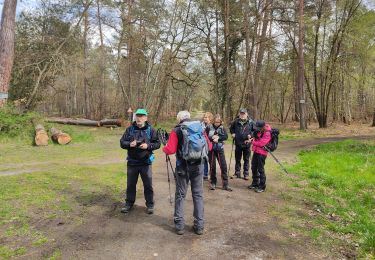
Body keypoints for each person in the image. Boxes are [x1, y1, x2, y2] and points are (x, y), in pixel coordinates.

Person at [163, 111, 212, 235]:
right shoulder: (200, 127)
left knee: (180, 195)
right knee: (198, 195)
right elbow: (209, 147)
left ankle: (179, 226)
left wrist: (164, 148)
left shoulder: (177, 130)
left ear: (179, 119)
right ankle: (199, 226)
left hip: (182, 167)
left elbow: (171, 149)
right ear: (189, 118)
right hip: (199, 166)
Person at [120, 108, 161, 214]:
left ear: (146, 118)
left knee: (148, 185)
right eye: (138, 116)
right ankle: (129, 203)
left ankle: (150, 205)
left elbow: (157, 144)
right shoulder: (130, 129)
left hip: (146, 162)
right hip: (132, 162)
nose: (139, 118)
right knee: (130, 185)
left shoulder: (151, 130)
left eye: (142, 116)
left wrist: (148, 146)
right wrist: (129, 144)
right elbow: (122, 142)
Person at [206, 114, 233, 191]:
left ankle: (225, 184)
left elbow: (226, 137)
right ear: (213, 121)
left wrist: (218, 138)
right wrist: (212, 138)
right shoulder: (209, 127)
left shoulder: (222, 128)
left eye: (219, 122)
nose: (217, 123)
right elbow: (205, 136)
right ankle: (213, 182)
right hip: (211, 149)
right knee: (212, 166)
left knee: (223, 166)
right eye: (216, 121)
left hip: (219, 148)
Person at [229, 108, 255, 180]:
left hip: (247, 144)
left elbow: (255, 131)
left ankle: (246, 174)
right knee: (237, 159)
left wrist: (251, 135)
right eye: (241, 113)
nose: (242, 115)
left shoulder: (251, 122)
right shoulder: (235, 121)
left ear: (247, 114)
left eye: (244, 113)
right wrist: (233, 133)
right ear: (239, 114)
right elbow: (231, 129)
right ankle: (237, 173)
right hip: (238, 143)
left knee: (246, 159)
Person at [247, 120, 271, 193]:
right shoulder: (259, 130)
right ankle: (255, 183)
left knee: (260, 169)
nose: (257, 128)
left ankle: (262, 186)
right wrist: (252, 138)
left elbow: (261, 143)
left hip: (262, 153)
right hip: (256, 151)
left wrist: (252, 142)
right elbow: (256, 138)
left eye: (258, 127)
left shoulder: (267, 133)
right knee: (254, 167)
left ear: (263, 127)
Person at [201, 112, 213, 180]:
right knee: (204, 159)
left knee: (210, 160)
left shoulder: (211, 126)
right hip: (202, 145)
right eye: (204, 117)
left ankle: (211, 173)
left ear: (210, 118)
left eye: (206, 117)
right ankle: (204, 174)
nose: (205, 118)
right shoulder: (201, 125)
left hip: (210, 145)